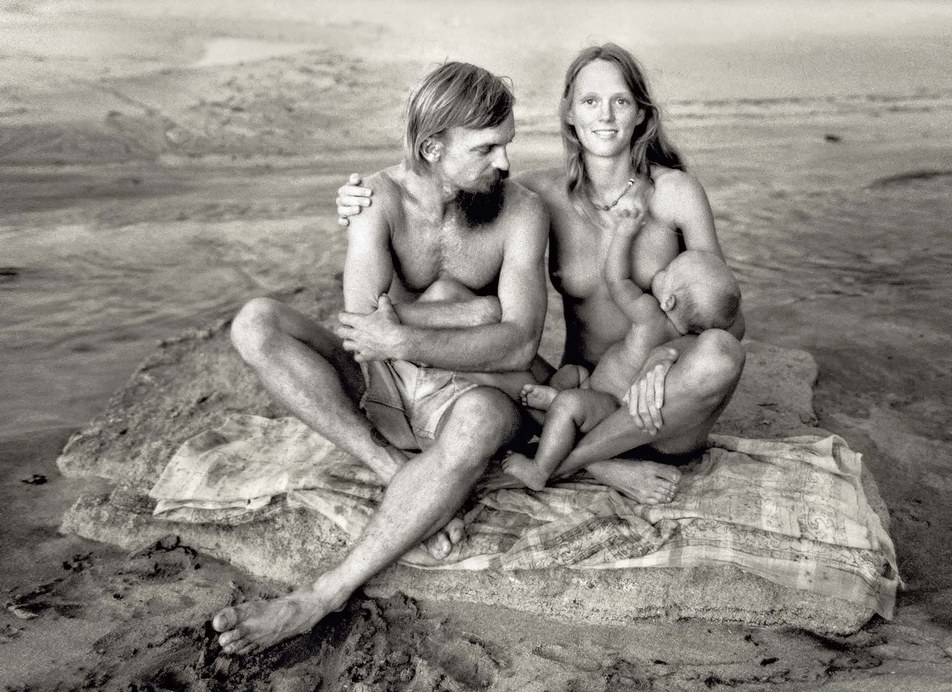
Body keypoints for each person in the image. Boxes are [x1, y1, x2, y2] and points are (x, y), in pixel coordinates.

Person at [212, 61, 549, 655]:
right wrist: (477, 314)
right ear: (432, 146)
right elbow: (363, 325)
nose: (504, 162)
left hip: (467, 392)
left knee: (485, 423)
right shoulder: (376, 198)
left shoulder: (522, 210)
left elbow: (521, 342)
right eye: (487, 148)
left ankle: (319, 597)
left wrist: (408, 333)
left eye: (507, 145)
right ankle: (392, 468)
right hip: (384, 384)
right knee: (257, 322)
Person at [338, 44, 746, 504]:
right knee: (462, 314)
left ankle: (574, 463)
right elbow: (446, 190)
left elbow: (726, 311)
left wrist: (665, 358)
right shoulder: (538, 194)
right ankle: (596, 460)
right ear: (569, 112)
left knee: (722, 354)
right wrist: (361, 200)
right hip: (572, 393)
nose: (606, 115)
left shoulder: (677, 193)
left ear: (641, 115)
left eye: (621, 101)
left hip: (655, 409)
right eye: (591, 101)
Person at [503, 199, 740, 490]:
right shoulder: (687, 343)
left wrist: (623, 234)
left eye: (667, 273)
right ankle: (558, 405)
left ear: (670, 300)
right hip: (595, 385)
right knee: (572, 374)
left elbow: (616, 280)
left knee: (568, 402)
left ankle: (540, 469)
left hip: (608, 405)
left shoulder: (650, 314)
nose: (659, 273)